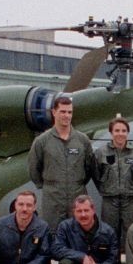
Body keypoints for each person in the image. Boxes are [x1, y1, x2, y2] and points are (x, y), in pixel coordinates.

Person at [28, 93, 95, 227]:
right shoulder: (42, 141)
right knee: (52, 234)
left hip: (77, 196)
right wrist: (50, 186)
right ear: (54, 112)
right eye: (63, 111)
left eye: (70, 112)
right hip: (52, 198)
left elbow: (89, 168)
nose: (67, 115)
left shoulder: (82, 140)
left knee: (77, 232)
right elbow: (34, 169)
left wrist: (76, 183)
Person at [92, 116, 133, 257]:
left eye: (123, 130)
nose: (120, 133)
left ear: (127, 133)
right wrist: (107, 188)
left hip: (131, 201)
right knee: (109, 236)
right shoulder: (101, 153)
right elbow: (96, 175)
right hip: (110, 201)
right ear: (111, 132)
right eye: (117, 130)